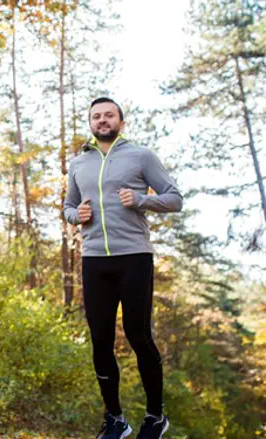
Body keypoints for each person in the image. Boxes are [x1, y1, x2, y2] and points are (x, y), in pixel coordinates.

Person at [64, 97, 182, 439]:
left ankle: (155, 417)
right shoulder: (79, 162)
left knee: (138, 335)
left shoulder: (140, 156)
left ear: (121, 121)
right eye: (96, 116)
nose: (102, 120)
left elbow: (175, 198)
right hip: (94, 260)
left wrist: (142, 199)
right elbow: (69, 206)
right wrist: (76, 216)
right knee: (99, 340)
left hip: (134, 258)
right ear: (90, 123)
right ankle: (115, 419)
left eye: (109, 115)